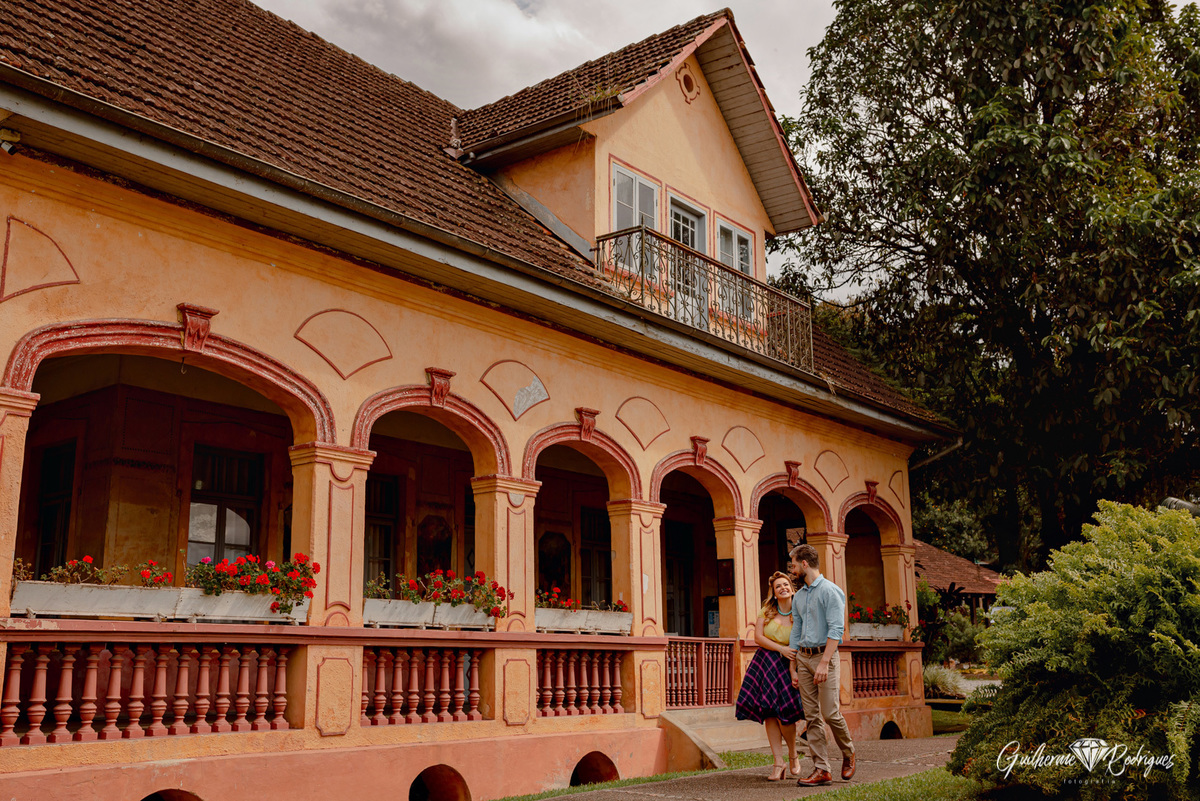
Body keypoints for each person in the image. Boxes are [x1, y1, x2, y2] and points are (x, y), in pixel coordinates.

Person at [788, 543, 855, 786]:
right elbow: (796, 629)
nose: (792, 569)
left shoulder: (830, 591)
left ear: (804, 564)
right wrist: (793, 665)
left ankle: (848, 753)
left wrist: (824, 662)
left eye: (794, 564)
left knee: (830, 713)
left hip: (824, 657)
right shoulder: (800, 596)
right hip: (803, 658)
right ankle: (821, 768)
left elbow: (837, 630)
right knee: (812, 716)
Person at [734, 571, 807, 781]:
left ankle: (793, 755)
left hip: (789, 663)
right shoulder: (766, 610)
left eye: (786, 585)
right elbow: (758, 637)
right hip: (765, 662)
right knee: (768, 713)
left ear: (792, 589)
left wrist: (791, 663)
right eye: (778, 587)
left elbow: (800, 641)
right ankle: (778, 762)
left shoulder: (800, 611)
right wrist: (780, 649)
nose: (783, 588)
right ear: (774, 593)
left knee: (786, 714)